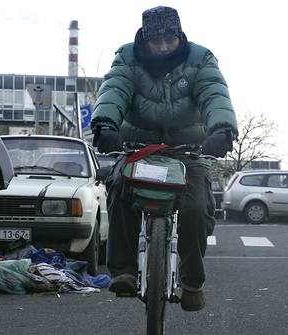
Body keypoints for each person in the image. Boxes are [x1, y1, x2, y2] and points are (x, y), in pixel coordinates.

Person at [91, 6, 238, 312]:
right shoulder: (127, 58)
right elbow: (115, 90)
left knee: (197, 208)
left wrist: (222, 130)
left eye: (168, 39)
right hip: (137, 145)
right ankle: (124, 271)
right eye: (155, 41)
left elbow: (214, 94)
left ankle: (192, 280)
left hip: (188, 150)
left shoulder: (201, 59)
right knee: (119, 188)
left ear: (179, 35)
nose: (162, 47)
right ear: (144, 39)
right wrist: (105, 124)